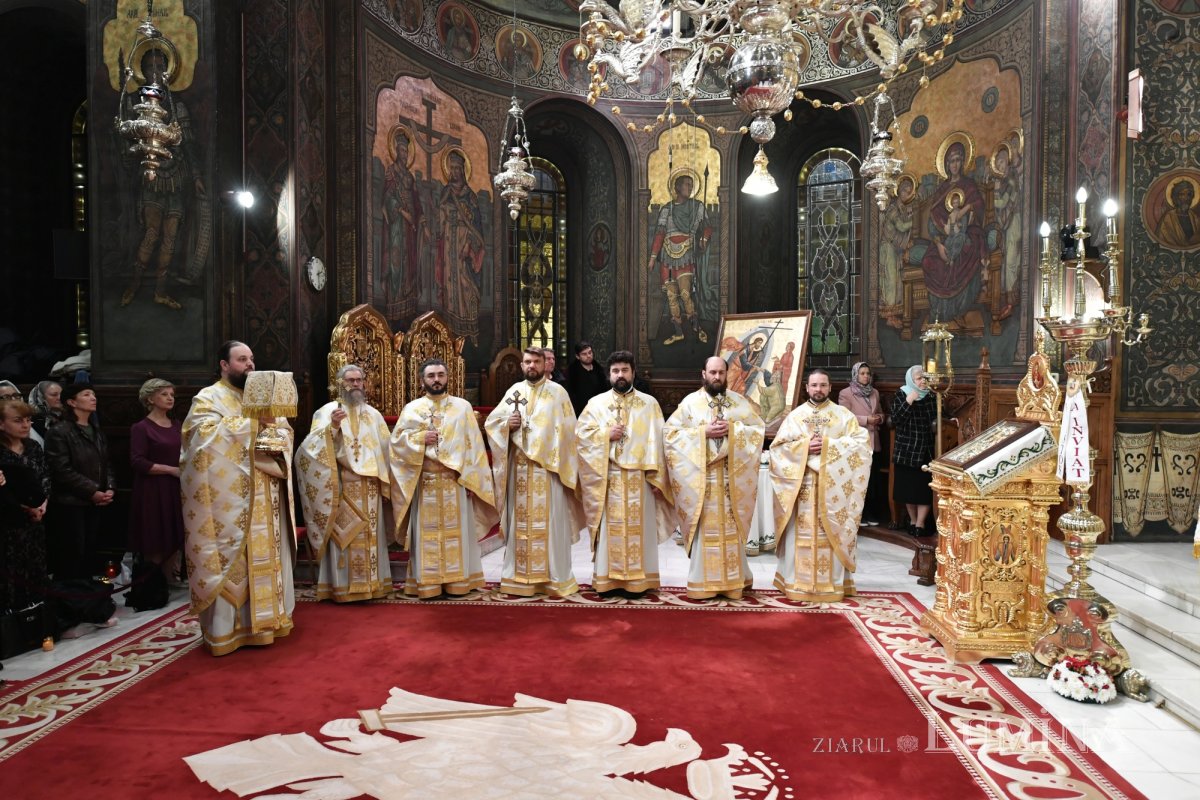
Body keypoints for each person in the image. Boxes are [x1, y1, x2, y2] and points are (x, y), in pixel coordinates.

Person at [180, 342, 296, 656]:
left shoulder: (261, 399)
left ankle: (268, 621)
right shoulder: (209, 397)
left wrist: (273, 438)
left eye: (251, 359)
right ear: (224, 364)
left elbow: (284, 435)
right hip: (228, 504)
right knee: (233, 561)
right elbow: (200, 440)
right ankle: (226, 630)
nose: (249, 365)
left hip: (266, 495)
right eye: (242, 359)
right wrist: (252, 427)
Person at [391, 359, 497, 598]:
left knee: (456, 536)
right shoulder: (412, 409)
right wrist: (419, 440)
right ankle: (427, 585)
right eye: (431, 376)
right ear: (422, 380)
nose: (436, 379)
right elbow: (396, 444)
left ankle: (458, 583)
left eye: (440, 375)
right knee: (426, 536)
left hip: (454, 483)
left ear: (448, 378)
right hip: (425, 482)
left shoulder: (462, 408)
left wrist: (472, 480)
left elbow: (474, 448)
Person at [484, 347, 584, 597]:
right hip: (519, 473)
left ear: (545, 364)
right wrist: (507, 425)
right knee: (521, 525)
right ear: (522, 366)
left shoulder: (558, 393)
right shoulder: (514, 392)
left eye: (536, 362)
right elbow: (492, 423)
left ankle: (554, 578)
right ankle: (519, 576)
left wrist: (552, 456)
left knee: (551, 525)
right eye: (527, 362)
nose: (531, 366)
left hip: (549, 472)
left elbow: (570, 432)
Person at [664, 357, 764, 600]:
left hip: (733, 480)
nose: (717, 377)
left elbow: (758, 430)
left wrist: (734, 431)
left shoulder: (740, 403)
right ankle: (702, 582)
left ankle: (733, 582)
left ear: (727, 373)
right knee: (705, 530)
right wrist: (702, 433)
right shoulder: (690, 404)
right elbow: (670, 435)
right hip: (702, 481)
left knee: (732, 530)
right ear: (703, 373)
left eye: (721, 372)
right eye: (712, 372)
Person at [575, 351, 675, 594]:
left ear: (633, 373)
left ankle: (639, 581)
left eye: (625, 370)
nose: (620, 375)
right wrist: (604, 435)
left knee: (639, 531)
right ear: (609, 375)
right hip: (607, 478)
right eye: (616, 371)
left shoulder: (649, 404)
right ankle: (608, 580)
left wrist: (658, 478)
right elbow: (580, 437)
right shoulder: (596, 404)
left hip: (639, 480)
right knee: (611, 531)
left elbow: (660, 443)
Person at [770, 370, 871, 602]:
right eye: (814, 385)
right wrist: (804, 447)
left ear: (830, 386)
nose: (818, 390)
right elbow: (777, 449)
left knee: (831, 532)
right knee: (799, 535)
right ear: (806, 387)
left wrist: (827, 446)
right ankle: (797, 581)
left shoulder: (843, 416)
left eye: (823, 385)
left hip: (833, 491)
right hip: (801, 488)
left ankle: (833, 584)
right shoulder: (795, 417)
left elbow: (861, 446)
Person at [296, 365, 394, 603]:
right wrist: (333, 427)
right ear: (340, 384)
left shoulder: (374, 415)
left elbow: (386, 451)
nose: (356, 384)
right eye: (350, 380)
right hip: (340, 487)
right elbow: (309, 452)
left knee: (370, 538)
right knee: (344, 538)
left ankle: (373, 585)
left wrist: (386, 485)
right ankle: (340, 587)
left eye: (359, 380)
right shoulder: (327, 411)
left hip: (369, 488)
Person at [45, 383, 115, 580]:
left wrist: (109, 487)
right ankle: (71, 595)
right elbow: (61, 469)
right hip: (71, 502)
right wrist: (92, 491)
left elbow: (106, 463)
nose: (93, 398)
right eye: (86, 394)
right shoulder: (60, 431)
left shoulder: (96, 431)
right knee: (72, 550)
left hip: (96, 501)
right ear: (71, 401)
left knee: (90, 549)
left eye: (93, 394)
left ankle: (86, 594)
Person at [128, 378, 185, 586]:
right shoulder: (141, 428)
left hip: (175, 487)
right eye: (164, 394)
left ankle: (170, 579)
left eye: (172, 394)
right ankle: (153, 583)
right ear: (150, 398)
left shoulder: (177, 425)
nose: (170, 398)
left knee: (173, 533)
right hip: (152, 489)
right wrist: (171, 470)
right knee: (155, 535)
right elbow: (138, 461)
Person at [647, 173, 713, 345]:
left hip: (686, 255)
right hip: (668, 256)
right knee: (671, 297)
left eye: (692, 185)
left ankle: (697, 328)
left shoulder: (697, 207)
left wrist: (703, 239)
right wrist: (653, 257)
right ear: (677, 187)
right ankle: (678, 333)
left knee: (685, 295)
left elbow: (707, 228)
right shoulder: (667, 210)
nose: (690, 188)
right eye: (686, 185)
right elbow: (660, 235)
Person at [0, 398, 50, 613]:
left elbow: (45, 478)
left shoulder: (33, 447)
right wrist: (24, 508)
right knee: (11, 568)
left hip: (36, 519)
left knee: (36, 566)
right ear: (1, 424)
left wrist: (43, 505)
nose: (25, 425)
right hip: (8, 522)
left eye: (29, 420)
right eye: (18, 420)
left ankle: (37, 613)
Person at [891, 365, 938, 537]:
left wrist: (950, 419)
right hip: (906, 450)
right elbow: (896, 419)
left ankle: (920, 524)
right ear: (911, 380)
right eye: (919, 378)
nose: (922, 382)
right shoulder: (902, 393)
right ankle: (912, 520)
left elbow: (938, 415)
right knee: (908, 491)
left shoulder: (931, 395)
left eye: (925, 378)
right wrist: (909, 401)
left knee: (923, 491)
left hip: (925, 450)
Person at [838, 362, 886, 526]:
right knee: (858, 479)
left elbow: (880, 412)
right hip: (856, 442)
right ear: (855, 375)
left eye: (868, 373)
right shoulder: (846, 393)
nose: (866, 376)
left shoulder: (875, 393)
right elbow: (844, 417)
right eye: (862, 373)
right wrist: (866, 420)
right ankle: (859, 514)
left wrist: (880, 418)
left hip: (874, 441)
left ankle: (871, 513)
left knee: (873, 480)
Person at [566, 341, 608, 416]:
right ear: (577, 356)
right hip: (580, 412)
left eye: (590, 352)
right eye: (584, 354)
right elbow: (571, 395)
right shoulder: (572, 373)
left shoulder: (599, 370)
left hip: (598, 411)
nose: (588, 356)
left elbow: (604, 390)